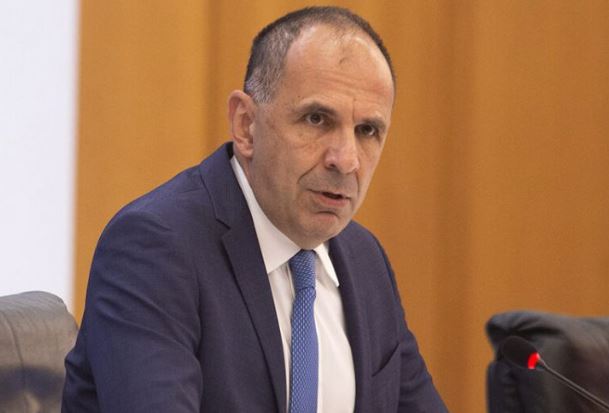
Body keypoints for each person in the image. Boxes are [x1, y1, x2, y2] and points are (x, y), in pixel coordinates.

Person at [62, 6, 448, 413]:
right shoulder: (154, 249)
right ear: (246, 125)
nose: (346, 159)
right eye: (317, 119)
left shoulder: (364, 259)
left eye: (367, 130)